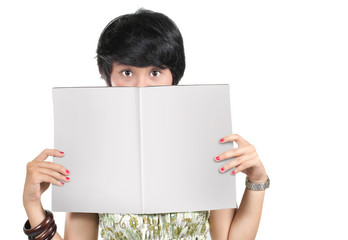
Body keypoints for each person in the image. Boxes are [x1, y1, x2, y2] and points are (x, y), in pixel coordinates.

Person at [23, 8, 269, 240]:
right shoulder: (92, 149)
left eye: (155, 72)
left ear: (174, 75)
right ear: (109, 76)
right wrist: (33, 206)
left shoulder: (203, 137)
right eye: (127, 72)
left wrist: (257, 180)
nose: (141, 86)